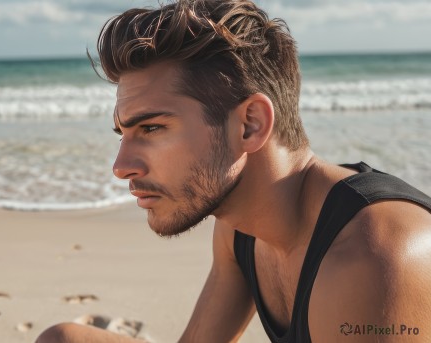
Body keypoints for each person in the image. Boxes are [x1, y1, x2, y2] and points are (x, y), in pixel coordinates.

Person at [37, 0, 431, 342]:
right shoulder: (239, 226)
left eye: (152, 128)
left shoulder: (378, 256)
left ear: (250, 125)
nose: (121, 167)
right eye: (123, 134)